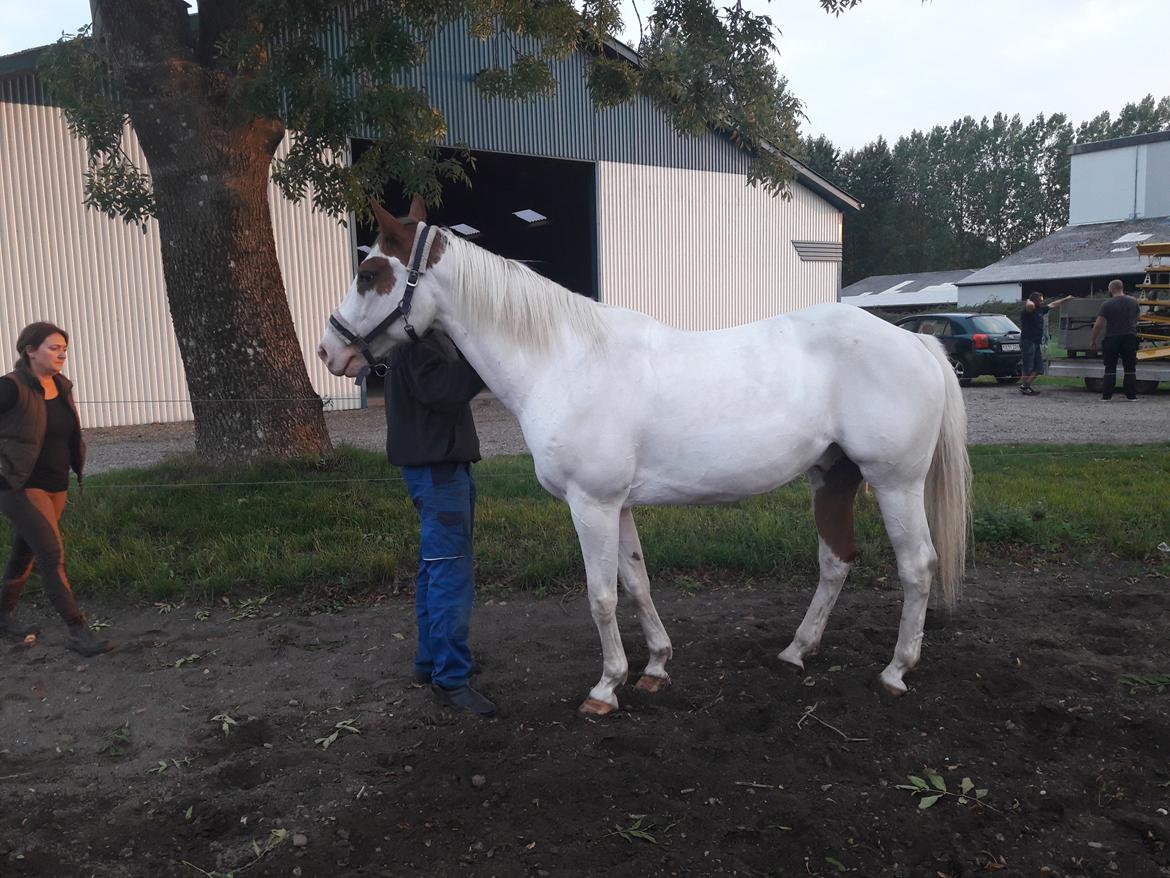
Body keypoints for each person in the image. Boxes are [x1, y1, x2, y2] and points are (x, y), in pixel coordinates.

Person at [384, 329, 495, 718]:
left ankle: (430, 662)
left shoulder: (420, 342)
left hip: (439, 469)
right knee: (451, 573)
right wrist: (483, 352)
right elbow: (443, 392)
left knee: (435, 570)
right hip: (438, 473)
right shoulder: (419, 345)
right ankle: (451, 680)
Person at [0, 322, 117, 655]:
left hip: (55, 484)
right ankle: (78, 631)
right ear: (30, 350)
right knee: (52, 554)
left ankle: (3, 616)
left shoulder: (61, 385)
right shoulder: (10, 388)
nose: (62, 353)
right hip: (19, 485)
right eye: (54, 347)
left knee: (26, 551)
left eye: (64, 348)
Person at [1089, 279, 1141, 401]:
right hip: (1129, 337)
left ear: (1111, 289)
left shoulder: (1107, 304)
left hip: (1112, 337)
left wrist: (1093, 340)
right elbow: (1137, 318)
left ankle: (1106, 396)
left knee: (1110, 366)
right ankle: (1131, 395)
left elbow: (1098, 324)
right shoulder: (1134, 302)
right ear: (1122, 287)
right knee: (1130, 367)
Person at [1017, 292, 1073, 395]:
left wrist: (1066, 299)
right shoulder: (1027, 311)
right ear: (1034, 300)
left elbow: (1053, 304)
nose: (1042, 301)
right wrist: (1029, 300)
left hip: (1036, 343)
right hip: (1028, 342)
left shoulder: (1040, 310)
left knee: (1039, 368)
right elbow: (1029, 305)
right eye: (1040, 299)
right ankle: (1025, 387)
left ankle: (1025, 385)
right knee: (1028, 366)